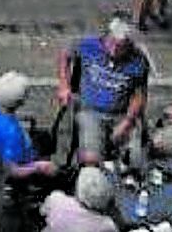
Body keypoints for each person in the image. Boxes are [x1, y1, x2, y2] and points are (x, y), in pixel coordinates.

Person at [57, 18, 150, 166]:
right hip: (90, 111)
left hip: (121, 113)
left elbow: (139, 95)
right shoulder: (89, 45)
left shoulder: (138, 61)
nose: (113, 50)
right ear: (106, 37)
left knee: (136, 160)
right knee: (90, 159)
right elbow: (65, 54)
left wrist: (127, 121)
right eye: (111, 43)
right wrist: (64, 85)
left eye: (120, 47)